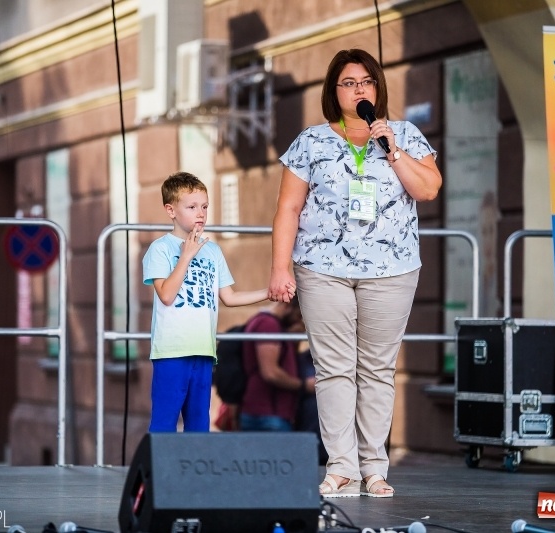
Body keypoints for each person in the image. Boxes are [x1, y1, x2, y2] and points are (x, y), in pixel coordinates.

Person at [268, 49, 442, 497]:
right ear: (334, 91)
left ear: (378, 87)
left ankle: (374, 469)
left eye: (366, 81)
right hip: (322, 268)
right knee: (334, 369)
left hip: (392, 269)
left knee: (378, 369)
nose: (359, 89)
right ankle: (341, 466)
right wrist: (279, 267)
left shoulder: (403, 135)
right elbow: (288, 208)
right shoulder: (311, 142)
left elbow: (428, 189)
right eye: (348, 82)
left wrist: (393, 150)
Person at [142, 172, 294, 433]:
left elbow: (230, 297)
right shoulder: (161, 249)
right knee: (164, 422)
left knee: (199, 422)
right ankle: (157, 474)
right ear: (171, 210)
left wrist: (268, 292)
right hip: (171, 351)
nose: (200, 213)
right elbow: (166, 295)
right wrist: (186, 257)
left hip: (203, 350)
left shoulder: (212, 251)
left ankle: (195, 473)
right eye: (191, 207)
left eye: (204, 206)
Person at [239, 298, 313, 431]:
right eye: (299, 315)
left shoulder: (274, 325)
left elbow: (284, 362)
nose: (299, 320)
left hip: (273, 413)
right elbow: (270, 373)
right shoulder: (268, 324)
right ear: (288, 306)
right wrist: (304, 385)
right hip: (268, 414)